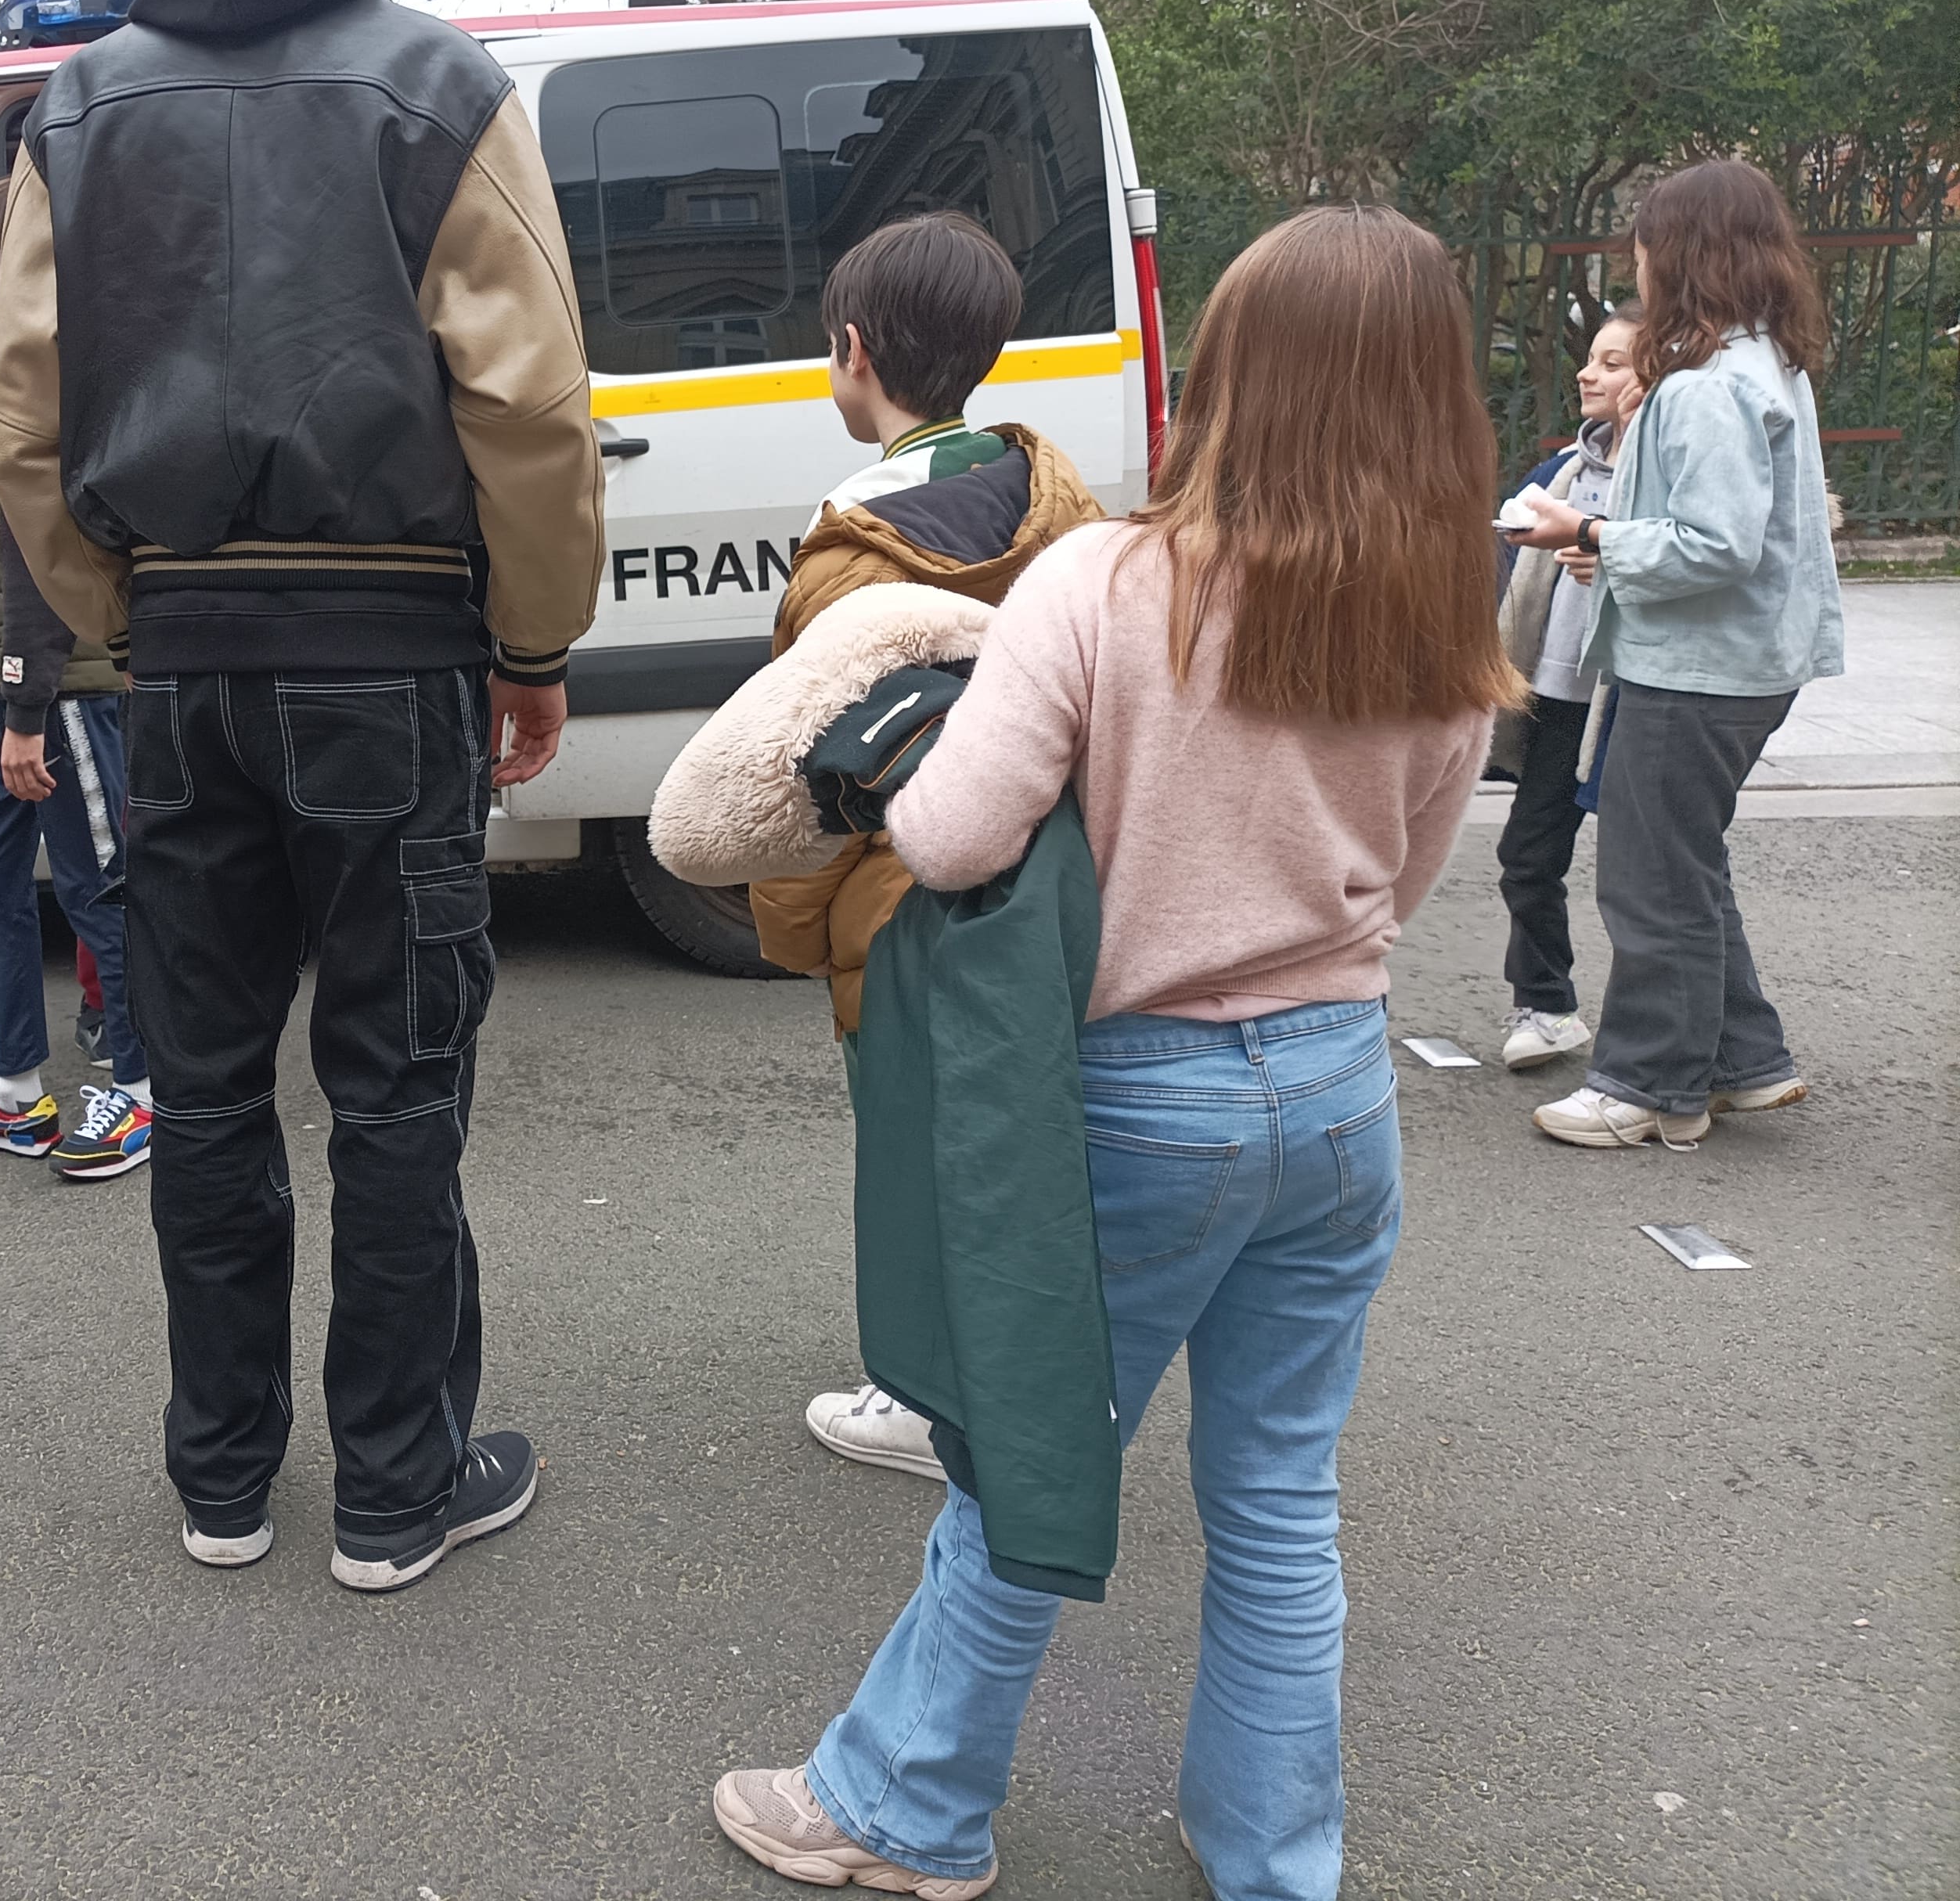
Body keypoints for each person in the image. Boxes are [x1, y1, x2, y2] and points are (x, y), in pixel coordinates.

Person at [712, 206, 1513, 1900]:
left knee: (1032, 1467)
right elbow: (1405, 881)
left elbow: (948, 835)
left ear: (1229, 374)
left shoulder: (1106, 584)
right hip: (1339, 1088)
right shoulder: (1448, 620)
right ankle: (1270, 1850)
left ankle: (904, 1809)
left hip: (1139, 1100)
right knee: (1279, 1498)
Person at [0, 0, 605, 1593]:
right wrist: (530, 640)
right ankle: (398, 1489)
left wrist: (123, 619)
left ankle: (224, 1478)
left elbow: (22, 419)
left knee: (203, 1074)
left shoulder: (77, 108)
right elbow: (528, 404)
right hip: (390, 651)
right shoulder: (441, 86)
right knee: (396, 1082)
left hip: (182, 657)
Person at [747, 213, 1105, 1488]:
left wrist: (798, 926)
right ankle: (1035, 1370)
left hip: (901, 898)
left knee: (912, 1151)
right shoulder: (1061, 507)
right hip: (1048, 881)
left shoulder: (853, 556)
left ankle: (925, 1399)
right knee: (1018, 1140)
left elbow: (808, 767)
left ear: (853, 350)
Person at [1508, 160, 1843, 1150]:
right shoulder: (1767, 360)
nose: (1637, 266)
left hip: (1697, 666)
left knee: (1649, 878)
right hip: (1745, 658)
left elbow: (1713, 545)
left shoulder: (1706, 385)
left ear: (1679, 254)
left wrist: (1590, 533)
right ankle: (1745, 1062)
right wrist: (1608, 541)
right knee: (1684, 864)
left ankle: (1650, 1087)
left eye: (1644, 247)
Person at [0, 177, 154, 1177]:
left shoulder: (59, 382)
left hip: (65, 688)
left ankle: (142, 1092)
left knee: (102, 884)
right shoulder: (21, 372)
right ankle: (16, 1085)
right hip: (17, 685)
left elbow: (43, 559)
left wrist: (23, 702)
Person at [1490, 309, 1644, 1071]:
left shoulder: (1669, 471)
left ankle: (1692, 1035)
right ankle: (1547, 1006)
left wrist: (1605, 552)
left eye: (1613, 364)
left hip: (1636, 704)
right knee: (1526, 855)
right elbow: (1495, 547)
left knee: (1654, 877)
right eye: (1591, 358)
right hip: (1559, 699)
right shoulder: (1561, 473)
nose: (1589, 373)